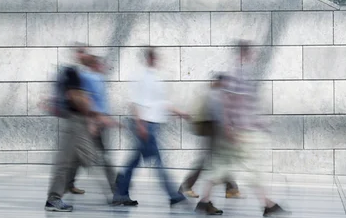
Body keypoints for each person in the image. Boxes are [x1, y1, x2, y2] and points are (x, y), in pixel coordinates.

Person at [195, 41, 288, 217]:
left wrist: (257, 123)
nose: (254, 55)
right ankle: (267, 204)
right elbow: (228, 101)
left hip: (237, 129)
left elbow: (243, 103)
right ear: (245, 52)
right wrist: (230, 127)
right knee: (252, 168)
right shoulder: (238, 72)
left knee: (220, 167)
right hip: (239, 131)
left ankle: (204, 201)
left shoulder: (239, 71)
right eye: (251, 52)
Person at [113, 48, 189, 207]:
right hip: (145, 124)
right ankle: (173, 194)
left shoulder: (156, 78)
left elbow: (161, 103)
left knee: (134, 160)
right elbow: (135, 102)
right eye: (154, 57)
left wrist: (180, 113)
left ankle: (120, 193)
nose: (156, 60)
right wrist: (140, 125)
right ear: (148, 58)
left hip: (153, 124)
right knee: (157, 161)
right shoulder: (140, 77)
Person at [44, 53, 100, 212]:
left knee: (78, 159)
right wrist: (90, 116)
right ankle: (54, 198)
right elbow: (74, 95)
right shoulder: (73, 72)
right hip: (75, 120)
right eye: (85, 52)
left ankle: (63, 189)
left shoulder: (80, 74)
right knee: (76, 159)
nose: (91, 55)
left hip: (77, 120)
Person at [179, 73, 241, 199]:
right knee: (212, 159)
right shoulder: (214, 94)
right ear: (220, 82)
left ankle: (231, 187)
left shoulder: (210, 92)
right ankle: (187, 187)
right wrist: (228, 130)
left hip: (212, 129)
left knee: (215, 159)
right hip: (213, 129)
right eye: (225, 83)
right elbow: (218, 114)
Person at [79, 55, 119, 199]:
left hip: (102, 121)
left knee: (101, 156)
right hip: (96, 122)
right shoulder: (90, 78)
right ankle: (116, 189)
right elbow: (88, 100)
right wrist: (93, 121)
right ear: (95, 65)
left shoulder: (99, 79)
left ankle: (116, 187)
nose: (103, 66)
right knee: (102, 157)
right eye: (100, 64)